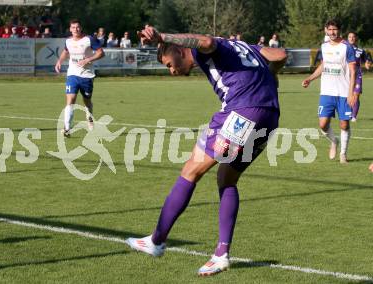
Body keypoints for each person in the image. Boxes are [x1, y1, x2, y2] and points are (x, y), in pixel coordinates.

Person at [126, 25, 286, 276]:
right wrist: (272, 75)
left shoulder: (204, 50)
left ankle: (157, 240)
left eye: (169, 64)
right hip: (270, 115)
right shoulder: (241, 46)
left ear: (180, 49)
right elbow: (280, 55)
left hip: (242, 111)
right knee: (227, 178)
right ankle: (221, 254)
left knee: (191, 170)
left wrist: (163, 37)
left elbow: (207, 41)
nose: (171, 71)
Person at [302, 19, 356, 163]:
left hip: (344, 92)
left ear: (339, 30)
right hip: (327, 91)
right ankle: (334, 141)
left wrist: (351, 93)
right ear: (326, 30)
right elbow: (323, 66)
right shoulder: (324, 46)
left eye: (335, 29)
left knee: (344, 124)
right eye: (330, 29)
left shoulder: (347, 47)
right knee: (323, 124)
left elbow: (353, 71)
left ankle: (343, 154)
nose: (332, 32)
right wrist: (310, 78)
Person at [55, 19, 105, 134]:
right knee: (70, 100)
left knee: (87, 101)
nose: (75, 29)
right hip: (72, 74)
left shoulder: (89, 39)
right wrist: (59, 61)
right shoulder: (68, 41)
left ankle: (89, 118)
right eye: (73, 27)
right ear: (70, 29)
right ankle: (67, 128)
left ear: (81, 28)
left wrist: (88, 59)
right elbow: (66, 51)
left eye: (77, 27)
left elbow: (101, 53)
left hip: (87, 75)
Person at [347, 32, 371, 122]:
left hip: (357, 75)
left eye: (353, 37)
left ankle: (354, 116)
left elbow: (366, 60)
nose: (352, 38)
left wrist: (367, 64)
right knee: (347, 95)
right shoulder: (344, 48)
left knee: (356, 95)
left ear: (356, 38)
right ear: (347, 38)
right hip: (346, 75)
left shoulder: (360, 50)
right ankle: (348, 113)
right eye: (350, 37)